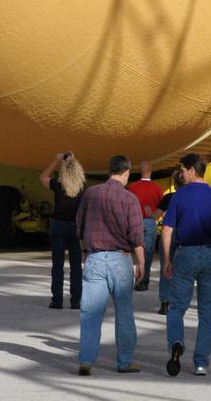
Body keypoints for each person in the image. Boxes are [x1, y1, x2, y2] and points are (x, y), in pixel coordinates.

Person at [161, 152, 211, 377]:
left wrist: (167, 259)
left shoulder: (179, 196)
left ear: (192, 170)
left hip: (185, 254)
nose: (181, 174)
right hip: (210, 255)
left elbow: (167, 230)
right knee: (207, 311)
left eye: (182, 170)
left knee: (176, 307)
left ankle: (176, 342)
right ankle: (201, 362)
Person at [75, 154, 145, 376]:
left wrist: (84, 253)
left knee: (90, 312)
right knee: (124, 312)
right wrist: (141, 262)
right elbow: (136, 235)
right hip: (120, 259)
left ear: (110, 170)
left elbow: (80, 227)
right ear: (126, 172)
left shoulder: (90, 194)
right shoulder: (129, 199)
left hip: (95, 258)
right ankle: (124, 361)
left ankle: (86, 360)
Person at [40, 150, 86, 309]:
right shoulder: (82, 186)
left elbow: (43, 177)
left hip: (58, 225)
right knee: (76, 266)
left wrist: (56, 161)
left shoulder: (58, 184)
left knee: (57, 265)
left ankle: (57, 300)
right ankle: (76, 301)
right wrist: (73, 160)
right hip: (76, 227)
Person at [128, 160, 163, 291]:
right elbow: (161, 208)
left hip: (134, 221)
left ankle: (130, 280)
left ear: (140, 171)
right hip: (150, 221)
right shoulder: (158, 188)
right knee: (147, 254)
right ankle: (143, 282)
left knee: (131, 252)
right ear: (151, 171)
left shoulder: (132, 187)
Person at [156, 169, 183, 314]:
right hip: (182, 235)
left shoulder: (168, 197)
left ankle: (165, 302)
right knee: (181, 270)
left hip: (167, 234)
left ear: (174, 183)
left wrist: (149, 213)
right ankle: (177, 301)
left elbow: (156, 215)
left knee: (165, 268)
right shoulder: (187, 197)